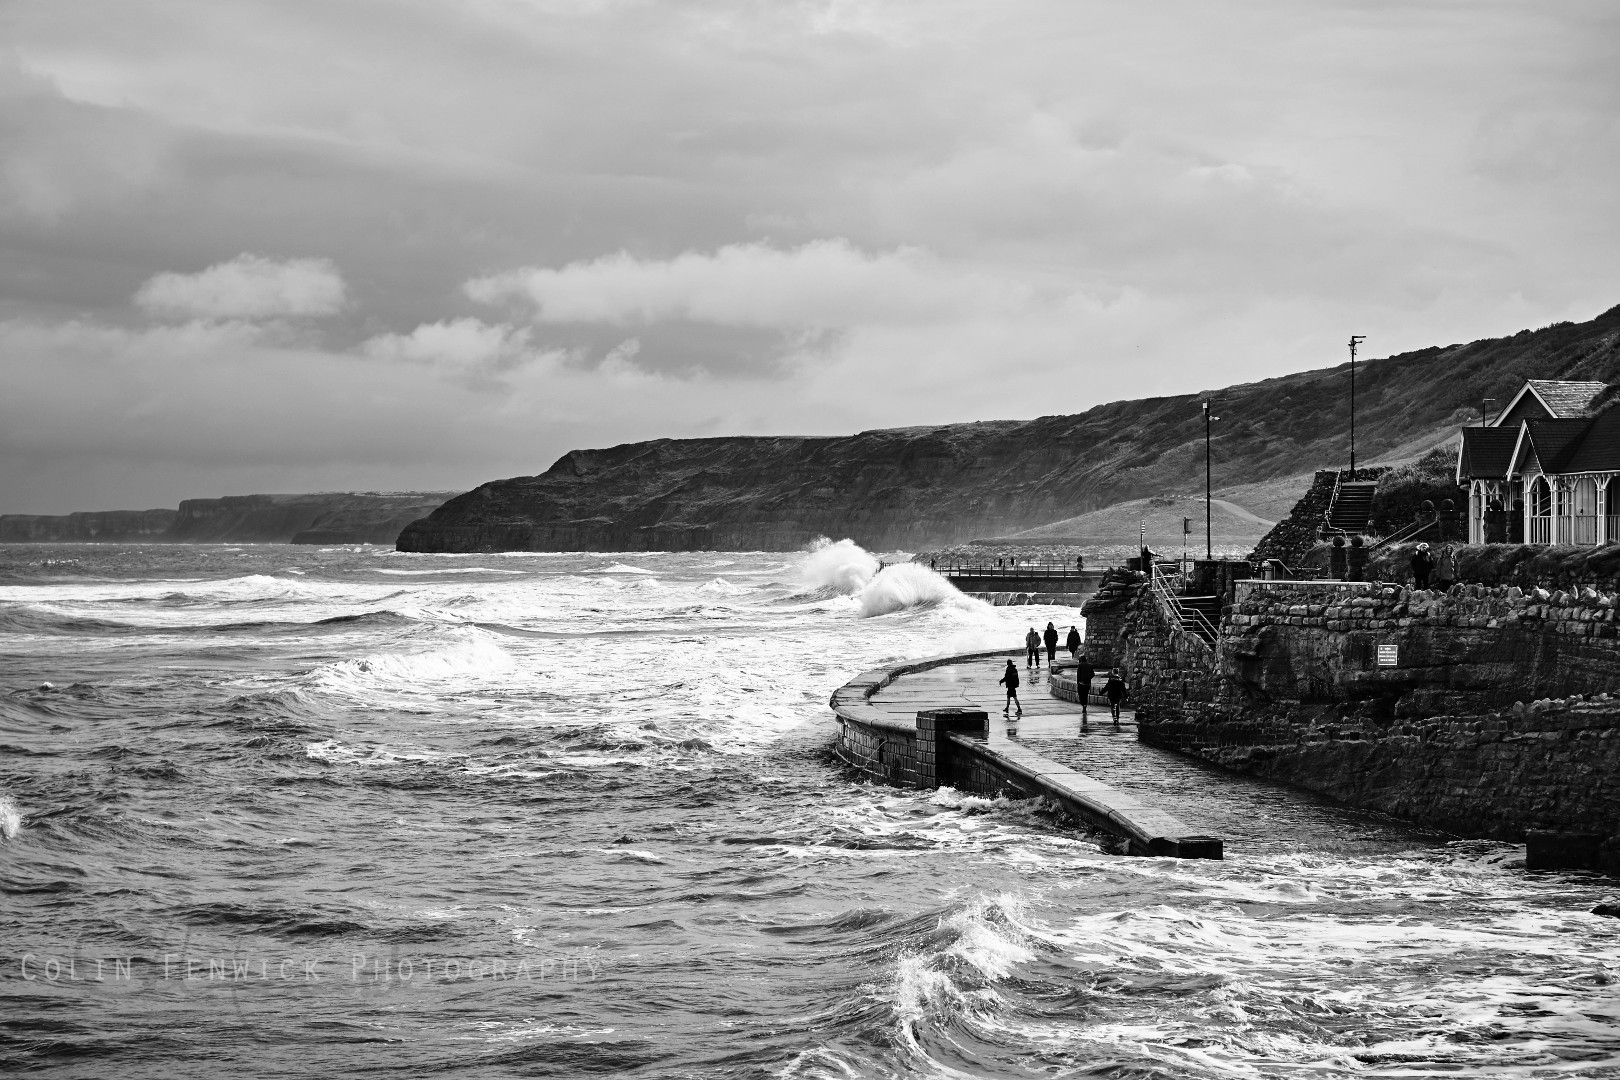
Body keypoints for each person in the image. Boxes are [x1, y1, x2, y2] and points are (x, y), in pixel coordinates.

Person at [1075, 653, 1097, 723]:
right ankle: (1084, 706)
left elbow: (1078, 675)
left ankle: (1083, 704)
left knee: (1081, 695)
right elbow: (1093, 674)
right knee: (1086, 695)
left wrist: (1078, 682)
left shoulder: (1080, 665)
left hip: (1081, 683)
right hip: (1088, 683)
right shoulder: (1090, 665)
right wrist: (1088, 678)